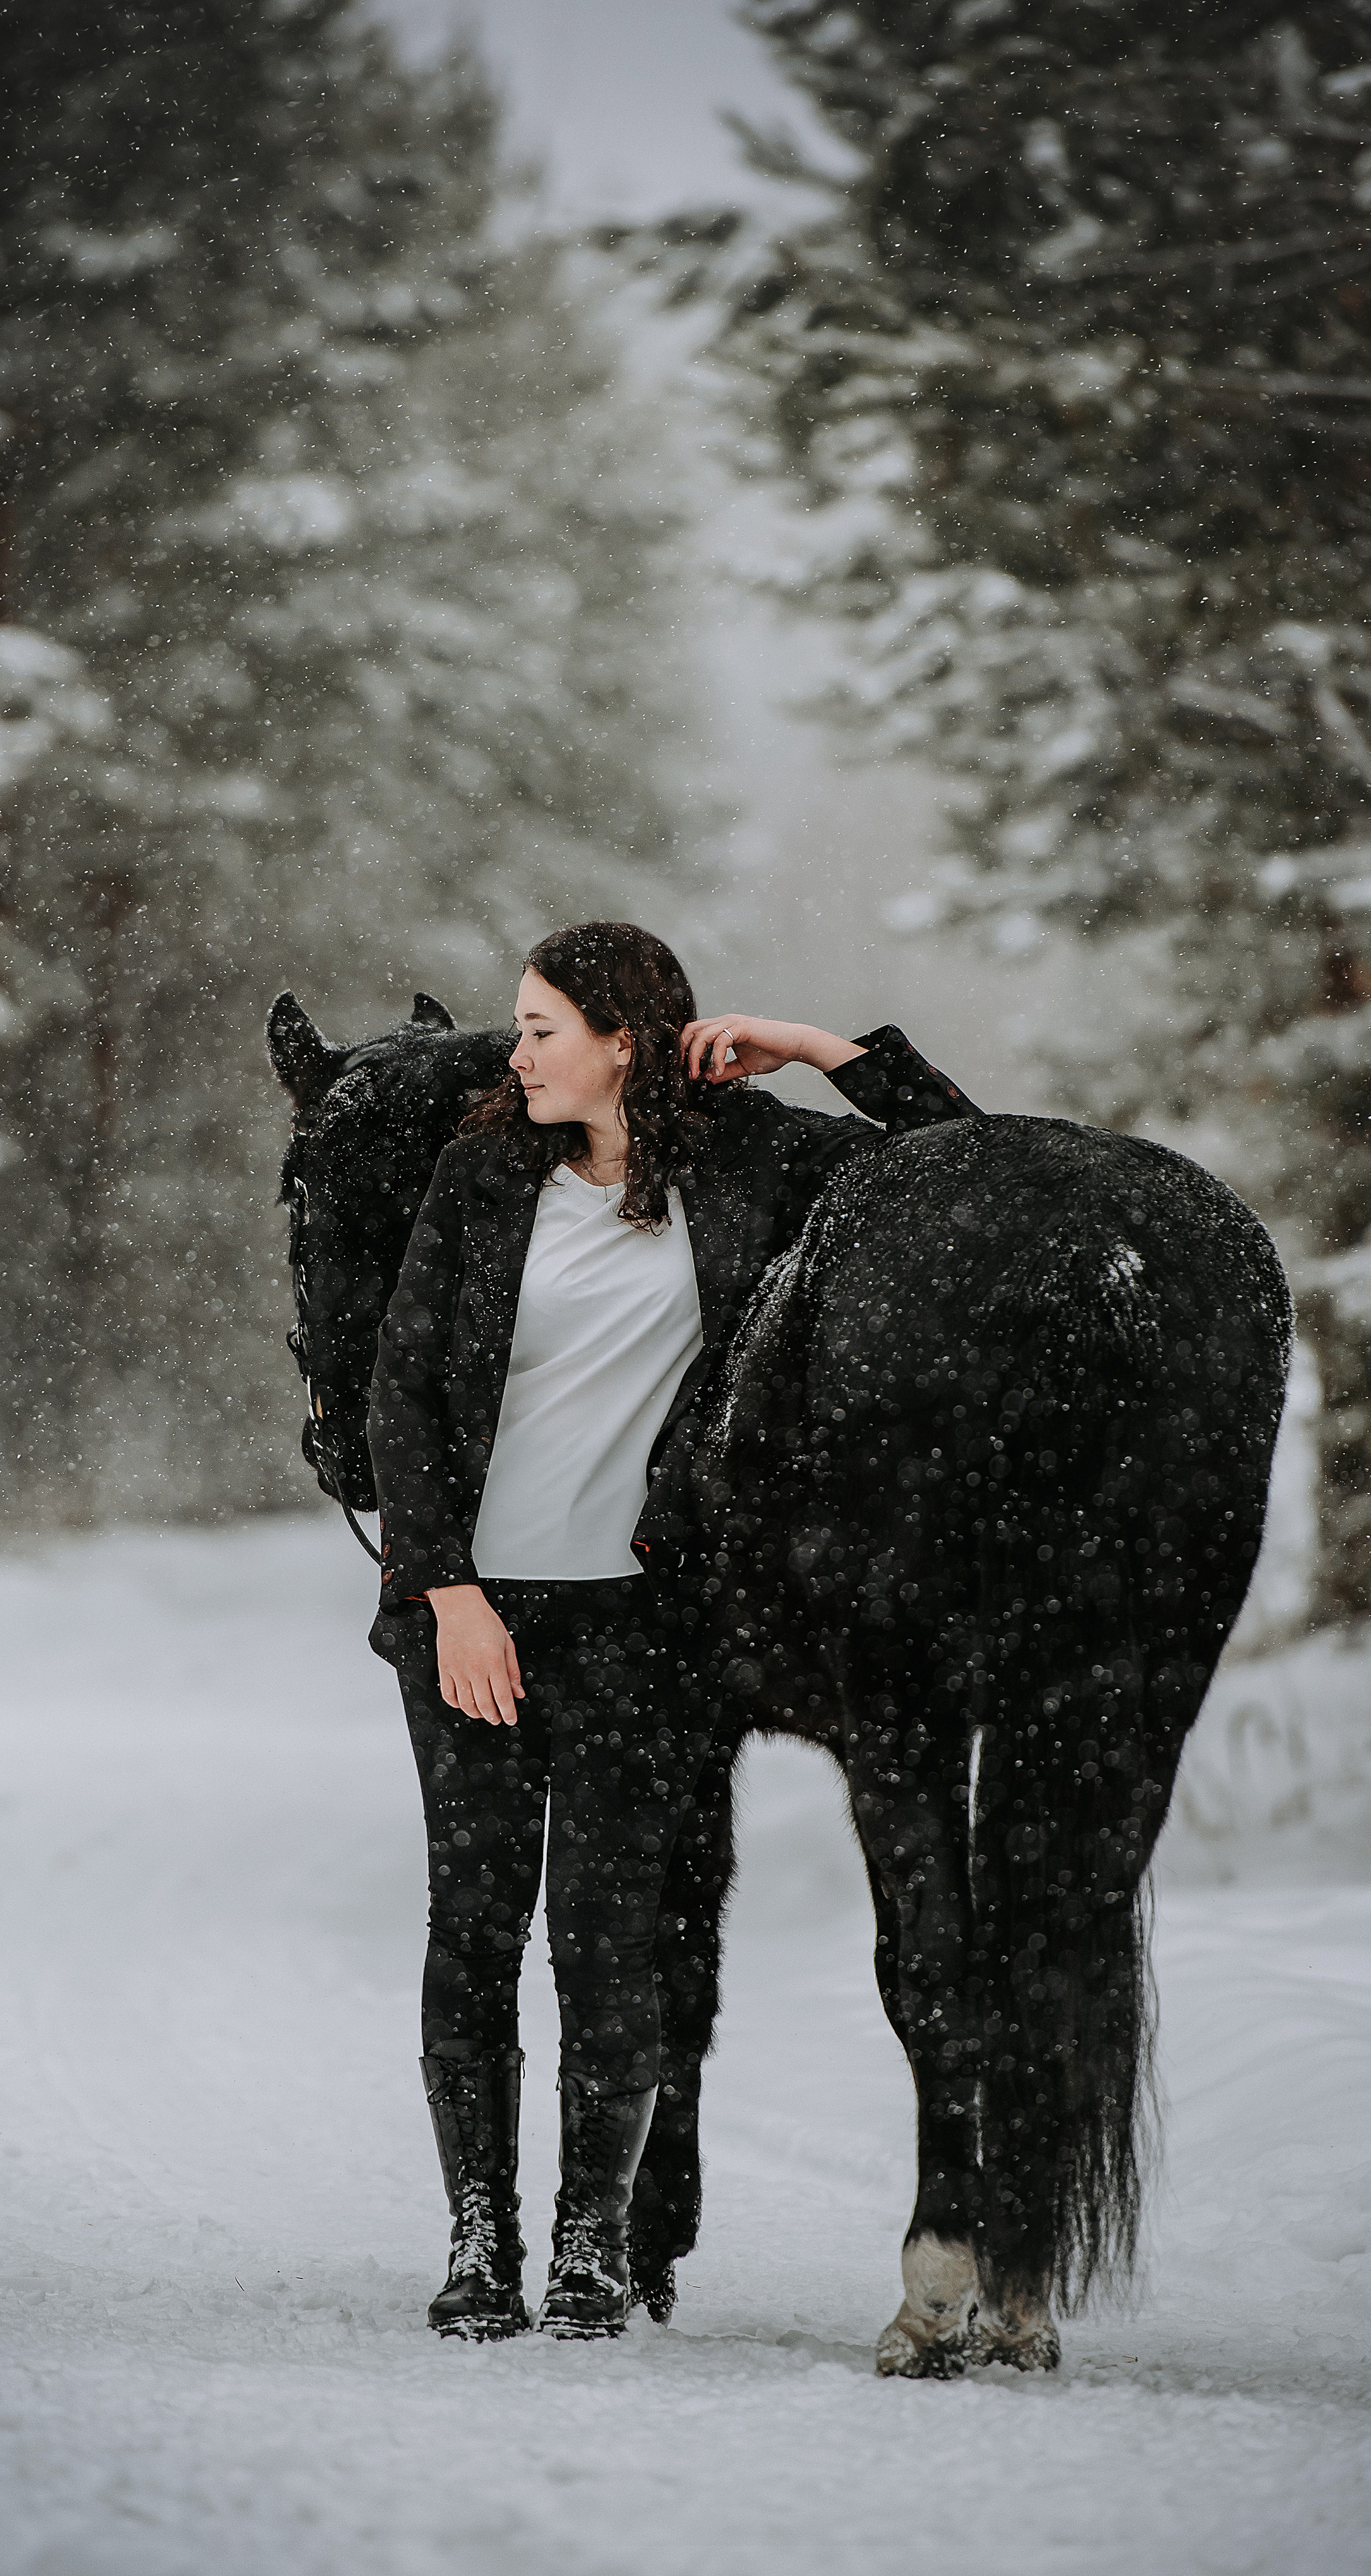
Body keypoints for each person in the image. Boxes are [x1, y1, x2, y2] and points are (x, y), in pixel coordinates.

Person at [366, 922, 978, 2339]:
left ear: (620, 1039)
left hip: (648, 1629)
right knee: (472, 1930)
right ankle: (476, 2242)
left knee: (607, 1937)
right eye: (517, 1029)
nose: (514, 1053)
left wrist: (824, 1051)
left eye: (539, 1028)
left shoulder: (753, 1162)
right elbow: (403, 1399)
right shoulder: (475, 1178)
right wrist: (446, 1590)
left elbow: (960, 1166)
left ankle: (588, 2245)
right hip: (471, 1624)